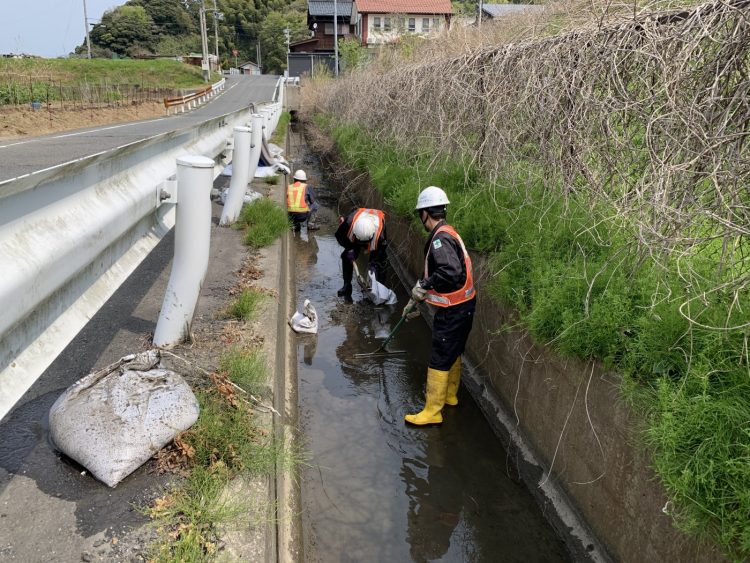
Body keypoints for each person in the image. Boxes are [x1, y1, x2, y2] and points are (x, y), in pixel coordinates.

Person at [403, 186, 476, 426]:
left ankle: (432, 411)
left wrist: (424, 284)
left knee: (439, 356)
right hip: (464, 306)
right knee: (453, 350)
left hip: (454, 310)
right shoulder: (448, 232)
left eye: (420, 214)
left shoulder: (439, 241)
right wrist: (420, 295)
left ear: (425, 213)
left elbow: (449, 271)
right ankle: (450, 396)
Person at [334, 208, 388, 300]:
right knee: (346, 257)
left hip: (375, 225)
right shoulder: (348, 224)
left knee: (381, 261)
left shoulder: (380, 233)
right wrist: (349, 248)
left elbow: (382, 248)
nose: (363, 246)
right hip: (356, 236)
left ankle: (379, 289)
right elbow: (339, 236)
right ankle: (347, 285)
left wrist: (374, 262)